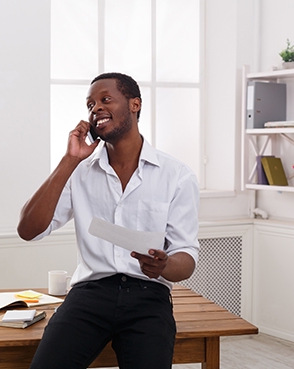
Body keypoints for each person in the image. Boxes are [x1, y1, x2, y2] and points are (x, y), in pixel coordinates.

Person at [17, 72, 200, 369]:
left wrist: (163, 265)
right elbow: (28, 229)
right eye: (90, 104)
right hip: (90, 295)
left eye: (105, 100)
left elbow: (187, 257)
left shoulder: (177, 175)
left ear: (134, 104)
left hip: (148, 296)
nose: (96, 109)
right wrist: (70, 160)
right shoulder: (80, 172)